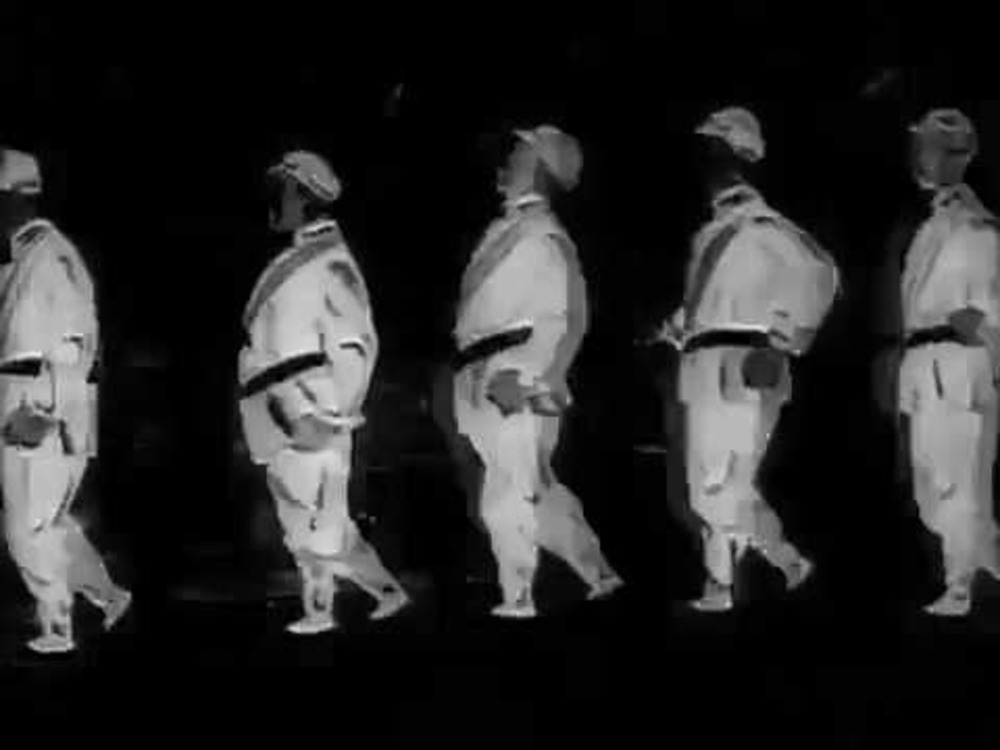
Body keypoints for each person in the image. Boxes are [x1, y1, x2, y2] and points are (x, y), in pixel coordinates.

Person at [654, 108, 840, 612]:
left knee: (722, 488)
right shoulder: (709, 232)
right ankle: (731, 583)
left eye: (715, 150)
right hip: (702, 361)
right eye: (704, 150)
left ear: (740, 158)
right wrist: (673, 329)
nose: (705, 161)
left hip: (745, 362)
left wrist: (782, 342)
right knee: (707, 485)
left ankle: (776, 566)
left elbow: (819, 275)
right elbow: (711, 300)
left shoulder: (765, 225)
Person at [453, 125, 623, 618]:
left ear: (543, 170)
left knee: (508, 493)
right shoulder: (508, 229)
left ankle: (519, 597)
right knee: (535, 488)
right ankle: (600, 575)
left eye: (519, 156)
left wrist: (532, 377)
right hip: (484, 370)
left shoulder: (544, 236)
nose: (505, 164)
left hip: (514, 371)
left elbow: (568, 316)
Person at [238, 150, 409, 634]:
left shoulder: (331, 264)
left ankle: (335, 609)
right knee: (312, 525)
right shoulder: (300, 260)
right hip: (282, 408)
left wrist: (331, 414)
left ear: (301, 197)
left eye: (280, 192)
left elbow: (356, 344)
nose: (272, 203)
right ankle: (363, 599)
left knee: (318, 529)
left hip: (311, 409)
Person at [0, 148, 131, 654]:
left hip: (40, 404)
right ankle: (107, 595)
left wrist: (45, 413)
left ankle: (57, 629)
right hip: (23, 399)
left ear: (16, 199)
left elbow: (74, 343)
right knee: (46, 523)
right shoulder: (21, 256)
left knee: (29, 528)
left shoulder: (51, 257)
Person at [893, 109, 1000, 617]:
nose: (919, 157)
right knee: (933, 493)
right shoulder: (935, 223)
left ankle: (960, 587)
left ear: (953, 155)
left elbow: (983, 307)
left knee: (957, 484)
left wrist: (980, 342)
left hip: (956, 362)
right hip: (927, 360)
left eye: (928, 147)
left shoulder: (973, 225)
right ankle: (988, 563)